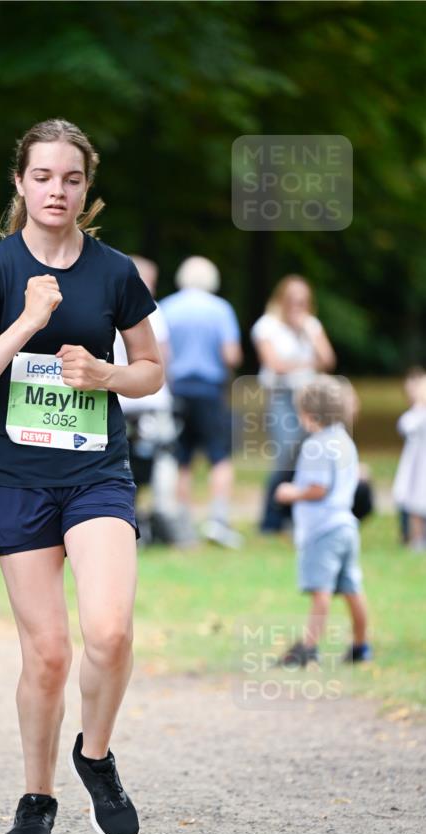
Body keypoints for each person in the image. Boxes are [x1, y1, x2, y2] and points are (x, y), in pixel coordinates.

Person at [0, 119, 162, 834]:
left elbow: (150, 370)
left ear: (85, 188)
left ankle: (93, 756)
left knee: (109, 631)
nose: (56, 190)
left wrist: (107, 375)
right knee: (47, 655)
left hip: (95, 471)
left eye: (70, 178)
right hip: (17, 479)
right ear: (20, 183)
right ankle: (36, 797)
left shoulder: (113, 272)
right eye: (42, 177)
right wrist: (26, 323)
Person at [274, 375, 371, 666]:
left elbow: (318, 488)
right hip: (346, 526)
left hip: (323, 530)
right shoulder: (344, 440)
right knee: (352, 589)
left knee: (321, 590)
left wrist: (290, 492)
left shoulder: (316, 445)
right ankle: (361, 646)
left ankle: (308, 648)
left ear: (310, 415)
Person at [159, 256, 243, 548]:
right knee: (220, 456)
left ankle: (184, 522)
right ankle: (218, 519)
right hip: (209, 390)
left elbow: (162, 353)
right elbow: (231, 354)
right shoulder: (220, 310)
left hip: (177, 390)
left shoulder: (167, 307)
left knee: (182, 458)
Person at [251, 275, 336, 533]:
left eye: (303, 301)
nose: (298, 306)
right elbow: (274, 365)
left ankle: (294, 514)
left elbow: (328, 359)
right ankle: (271, 519)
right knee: (285, 454)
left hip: (308, 398)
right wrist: (307, 363)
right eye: (293, 300)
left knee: (306, 454)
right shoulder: (266, 326)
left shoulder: (311, 325)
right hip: (281, 398)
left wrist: (306, 334)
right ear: (282, 300)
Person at [113, 257, 183, 545]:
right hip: (151, 400)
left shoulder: (108, 304)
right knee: (161, 461)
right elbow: (162, 356)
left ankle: (130, 520)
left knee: (123, 465)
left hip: (118, 397)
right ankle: (161, 519)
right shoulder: (151, 311)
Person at [392, 368, 426, 551]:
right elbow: (405, 426)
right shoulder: (416, 414)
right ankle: (416, 540)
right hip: (418, 465)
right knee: (416, 502)